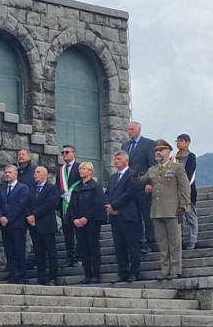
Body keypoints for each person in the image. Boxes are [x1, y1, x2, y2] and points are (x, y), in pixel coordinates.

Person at [140, 139, 192, 280]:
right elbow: (140, 181)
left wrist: (183, 206)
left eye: (162, 150)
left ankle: (175, 269)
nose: (158, 152)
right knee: (162, 242)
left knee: (175, 242)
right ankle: (164, 269)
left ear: (168, 151)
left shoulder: (177, 168)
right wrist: (134, 176)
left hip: (173, 209)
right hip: (157, 210)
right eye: (157, 150)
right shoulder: (152, 170)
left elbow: (185, 188)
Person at [67, 161, 108, 284]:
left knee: (93, 248)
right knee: (83, 249)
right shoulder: (77, 187)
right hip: (78, 224)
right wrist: (74, 218)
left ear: (90, 171)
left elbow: (98, 204)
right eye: (80, 169)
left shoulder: (96, 186)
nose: (81, 171)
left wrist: (86, 218)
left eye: (84, 169)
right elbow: (72, 205)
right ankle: (87, 274)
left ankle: (95, 275)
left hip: (92, 223)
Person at [105, 150, 141, 283]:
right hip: (115, 216)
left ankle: (135, 272)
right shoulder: (113, 177)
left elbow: (130, 193)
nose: (116, 161)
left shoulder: (132, 174)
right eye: (115, 159)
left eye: (119, 159)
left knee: (132, 245)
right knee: (119, 246)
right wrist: (108, 205)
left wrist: (114, 205)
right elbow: (107, 193)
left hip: (127, 215)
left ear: (126, 160)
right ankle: (123, 272)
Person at [125, 121, 157, 253]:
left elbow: (152, 165)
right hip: (130, 185)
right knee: (135, 214)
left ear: (139, 130)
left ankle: (151, 241)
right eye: (128, 130)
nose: (130, 132)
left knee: (146, 214)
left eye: (132, 129)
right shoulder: (125, 145)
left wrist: (150, 182)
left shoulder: (149, 144)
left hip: (144, 184)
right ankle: (139, 241)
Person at [0, 164, 30, 284]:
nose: (7, 174)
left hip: (17, 225)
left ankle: (21, 276)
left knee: (19, 251)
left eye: (9, 172)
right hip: (5, 225)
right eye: (5, 172)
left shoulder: (23, 188)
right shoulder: (3, 189)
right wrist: (0, 217)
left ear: (16, 174)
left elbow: (20, 205)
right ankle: (12, 275)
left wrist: (8, 218)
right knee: (9, 251)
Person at [27, 166, 61, 285]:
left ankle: (53, 277)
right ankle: (41, 278)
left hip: (47, 226)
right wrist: (29, 216)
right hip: (34, 226)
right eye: (35, 172)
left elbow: (49, 204)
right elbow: (27, 204)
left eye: (38, 172)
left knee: (51, 253)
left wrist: (34, 215)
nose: (35, 174)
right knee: (38, 253)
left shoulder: (51, 188)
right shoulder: (31, 189)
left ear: (45, 175)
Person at [57, 144, 81, 267]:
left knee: (79, 232)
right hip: (64, 206)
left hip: (77, 204)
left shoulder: (79, 167)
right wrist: (57, 206)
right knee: (67, 232)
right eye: (63, 152)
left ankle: (79, 256)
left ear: (74, 154)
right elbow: (58, 188)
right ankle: (70, 256)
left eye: (67, 152)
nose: (64, 154)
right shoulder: (60, 170)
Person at [174, 134, 199, 250]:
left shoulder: (191, 157)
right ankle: (180, 240)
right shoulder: (174, 158)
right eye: (177, 141)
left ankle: (191, 240)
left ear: (188, 143)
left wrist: (184, 188)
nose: (179, 143)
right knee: (179, 217)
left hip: (188, 191)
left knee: (190, 216)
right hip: (175, 191)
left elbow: (190, 175)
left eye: (181, 141)